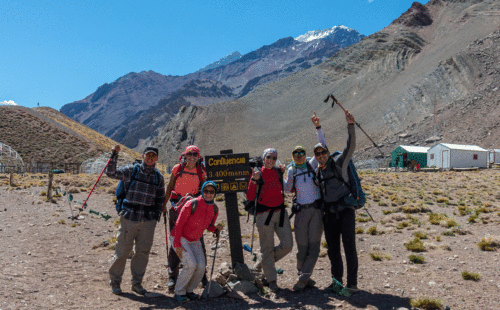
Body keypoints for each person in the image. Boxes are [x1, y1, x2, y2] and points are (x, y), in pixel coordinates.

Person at [106, 145, 165, 295]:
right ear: (143, 155)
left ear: (157, 158)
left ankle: (136, 283)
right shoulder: (131, 170)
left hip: (148, 221)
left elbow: (160, 198)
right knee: (122, 251)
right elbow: (111, 173)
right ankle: (115, 281)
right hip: (129, 217)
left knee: (143, 252)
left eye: (153, 156)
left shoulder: (159, 177)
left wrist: (157, 214)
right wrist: (114, 155)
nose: (150, 158)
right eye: (148, 155)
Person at [313, 109, 359, 294]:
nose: (321, 155)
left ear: (328, 153)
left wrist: (350, 125)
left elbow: (351, 146)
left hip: (346, 211)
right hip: (329, 215)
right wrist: (317, 127)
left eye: (323, 152)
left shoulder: (340, 162)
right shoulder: (318, 170)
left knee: (349, 248)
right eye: (318, 154)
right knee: (333, 250)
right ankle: (336, 282)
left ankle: (352, 284)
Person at [283, 114, 327, 291]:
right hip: (301, 212)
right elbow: (286, 189)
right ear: (293, 156)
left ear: (306, 155)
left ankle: (303, 279)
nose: (300, 155)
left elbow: (322, 146)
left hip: (316, 211)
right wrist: (278, 174)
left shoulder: (312, 164)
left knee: (314, 247)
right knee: (302, 247)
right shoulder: (291, 170)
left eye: (302, 152)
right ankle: (303, 273)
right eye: (296, 153)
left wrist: (318, 128)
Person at [246, 148, 293, 292]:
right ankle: (272, 280)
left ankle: (263, 262)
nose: (271, 160)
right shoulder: (257, 174)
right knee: (266, 248)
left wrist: (283, 172)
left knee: (288, 244)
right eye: (268, 157)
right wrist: (254, 180)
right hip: (264, 214)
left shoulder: (278, 171)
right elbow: (249, 196)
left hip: (280, 212)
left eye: (274, 157)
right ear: (263, 157)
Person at [171, 181, 223, 302]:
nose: (208, 194)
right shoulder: (192, 204)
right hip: (180, 237)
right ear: (202, 191)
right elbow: (179, 224)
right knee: (191, 264)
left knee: (201, 266)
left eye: (212, 192)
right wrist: (177, 244)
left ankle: (189, 291)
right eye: (206, 191)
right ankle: (179, 292)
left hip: (195, 240)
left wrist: (215, 229)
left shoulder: (214, 208)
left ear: (215, 193)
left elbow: (208, 226)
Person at [164, 145, 207, 290]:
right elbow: (170, 187)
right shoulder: (177, 169)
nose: (192, 157)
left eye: (195, 155)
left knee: (197, 240)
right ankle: (172, 276)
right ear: (185, 155)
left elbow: (205, 190)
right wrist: (163, 205)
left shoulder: (201, 171)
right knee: (175, 241)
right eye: (190, 154)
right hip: (177, 207)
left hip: (194, 210)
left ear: (198, 157)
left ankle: (202, 274)